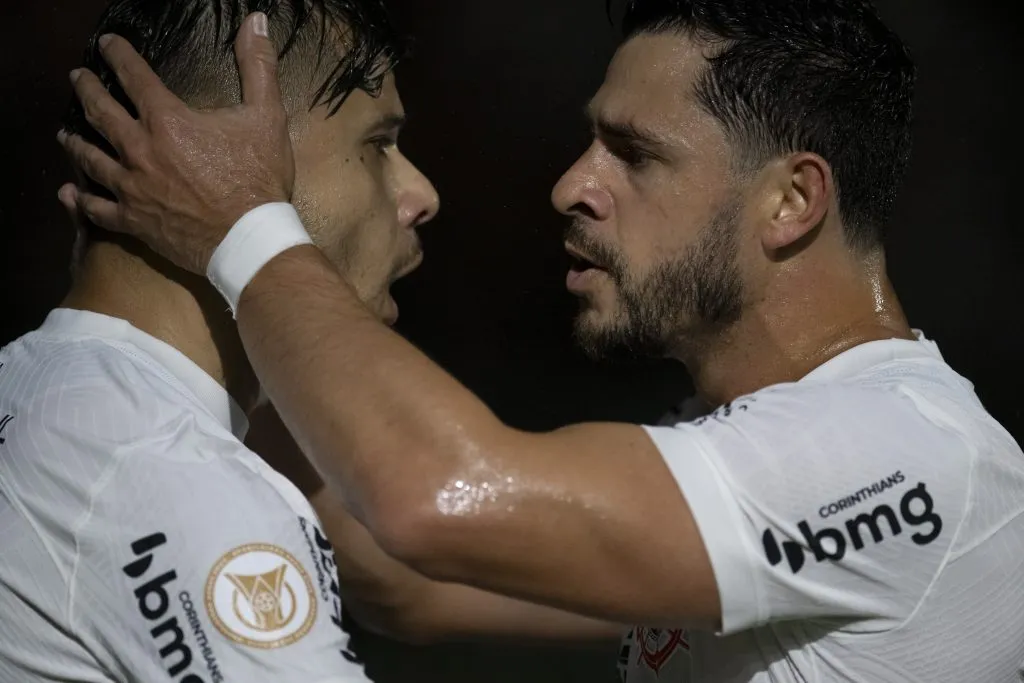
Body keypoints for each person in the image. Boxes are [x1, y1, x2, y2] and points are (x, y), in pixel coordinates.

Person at [58, 0, 1024, 681]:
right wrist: (163, 372)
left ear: (791, 201)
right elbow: (408, 575)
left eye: (634, 154)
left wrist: (243, 225)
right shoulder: (754, 453)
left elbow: (438, 503)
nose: (572, 185)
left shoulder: (904, 452)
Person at [0, 1, 448, 681]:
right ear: (229, 157)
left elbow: (409, 584)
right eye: (380, 142)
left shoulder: (36, 390)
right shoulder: (172, 480)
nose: (422, 192)